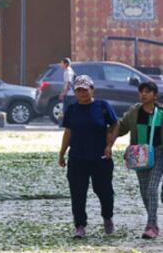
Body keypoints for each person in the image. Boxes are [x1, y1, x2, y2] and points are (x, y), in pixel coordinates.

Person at [59, 74, 118, 238]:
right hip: (77, 158)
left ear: (92, 89)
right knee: (77, 193)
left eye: (85, 89)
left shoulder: (103, 106)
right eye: (78, 90)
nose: (82, 93)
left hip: (100, 158)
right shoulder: (72, 109)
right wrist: (62, 153)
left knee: (104, 191)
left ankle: (107, 218)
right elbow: (68, 132)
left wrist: (109, 145)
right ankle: (80, 225)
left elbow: (115, 124)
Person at [111, 80, 163, 238]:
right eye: (141, 91)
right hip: (139, 155)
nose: (144, 94)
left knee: (152, 187)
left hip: (159, 153)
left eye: (148, 91)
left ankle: (151, 225)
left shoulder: (160, 113)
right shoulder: (135, 111)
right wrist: (106, 130)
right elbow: (121, 126)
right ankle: (152, 222)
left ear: (155, 95)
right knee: (144, 190)